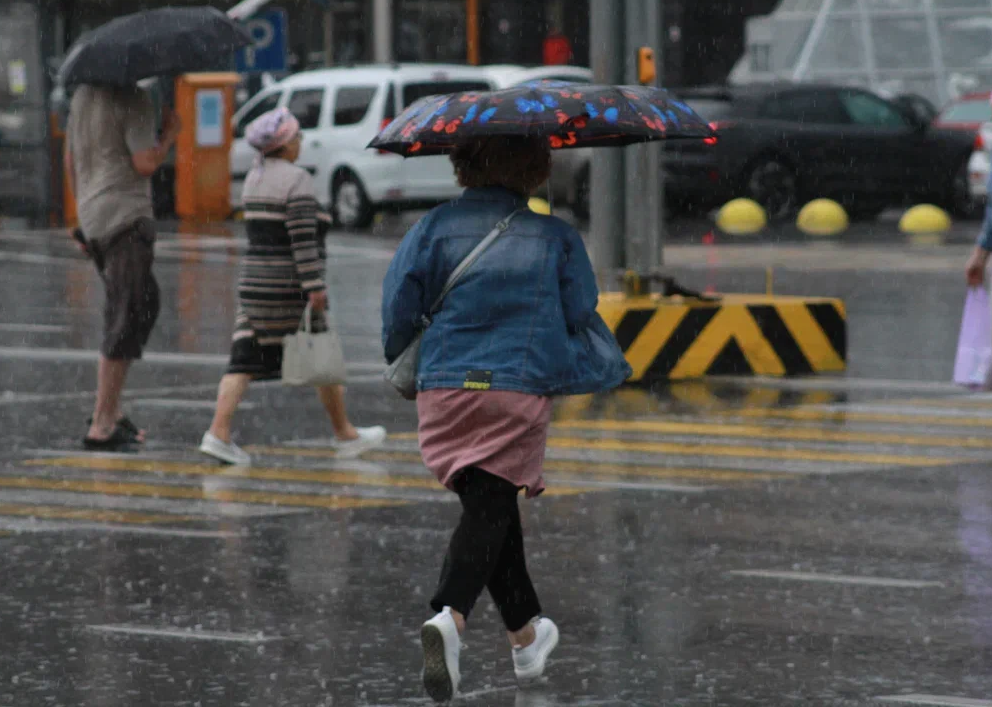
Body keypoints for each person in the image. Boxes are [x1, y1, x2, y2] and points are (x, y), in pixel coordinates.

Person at [381, 135, 629, 702]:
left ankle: (526, 633)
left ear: (463, 166)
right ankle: (452, 615)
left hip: (445, 384)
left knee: (488, 502)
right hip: (515, 386)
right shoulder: (555, 236)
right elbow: (579, 309)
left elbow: (399, 305)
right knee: (492, 501)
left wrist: (405, 353)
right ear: (535, 169)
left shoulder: (432, 228)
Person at [200, 107, 386, 466]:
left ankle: (218, 432)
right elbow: (302, 239)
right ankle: (345, 432)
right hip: (288, 287)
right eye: (297, 137)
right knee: (321, 356)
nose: (301, 143)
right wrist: (314, 285)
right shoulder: (297, 179)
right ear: (284, 144)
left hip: (254, 286)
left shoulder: (255, 176)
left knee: (243, 360)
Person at [67, 81, 176, 449]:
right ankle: (101, 423)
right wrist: (169, 136)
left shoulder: (82, 95)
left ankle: (110, 410)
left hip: (95, 214)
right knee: (126, 313)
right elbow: (145, 162)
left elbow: (71, 161)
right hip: (125, 216)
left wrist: (84, 212)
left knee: (143, 302)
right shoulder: (134, 98)